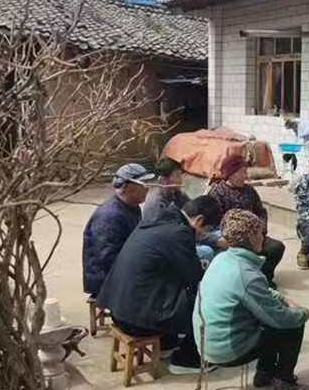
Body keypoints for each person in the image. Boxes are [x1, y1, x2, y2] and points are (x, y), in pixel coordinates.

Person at [195, 209, 309, 390]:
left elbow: (261, 292)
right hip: (226, 351)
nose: (263, 237)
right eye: (260, 232)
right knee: (292, 324)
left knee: (268, 318)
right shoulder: (246, 274)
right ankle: (283, 384)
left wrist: (279, 297)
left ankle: (265, 373)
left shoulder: (221, 259)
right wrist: (302, 313)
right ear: (251, 237)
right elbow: (280, 318)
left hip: (207, 343)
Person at [98, 196, 221, 373]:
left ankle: (166, 344)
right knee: (204, 300)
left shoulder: (156, 219)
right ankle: (186, 360)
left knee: (173, 287)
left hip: (118, 308)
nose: (203, 233)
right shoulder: (179, 233)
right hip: (136, 320)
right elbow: (194, 277)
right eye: (206, 228)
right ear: (199, 219)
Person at [208, 154, 285, 286]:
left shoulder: (249, 190)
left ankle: (264, 279)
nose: (245, 176)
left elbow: (260, 212)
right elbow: (215, 222)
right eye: (241, 172)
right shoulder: (217, 193)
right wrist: (233, 237)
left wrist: (260, 231)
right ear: (231, 174)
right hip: (233, 240)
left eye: (245, 172)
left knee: (276, 247)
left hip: (254, 235)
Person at [82, 163, 154, 297]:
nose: (147, 188)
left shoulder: (133, 207)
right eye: (143, 184)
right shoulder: (109, 216)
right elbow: (107, 258)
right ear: (127, 187)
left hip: (124, 271)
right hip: (106, 281)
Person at [145, 156, 220, 264]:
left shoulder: (175, 193)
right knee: (207, 251)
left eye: (180, 175)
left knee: (219, 232)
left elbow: (194, 208)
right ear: (162, 180)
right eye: (177, 176)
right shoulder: (157, 205)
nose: (181, 180)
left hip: (181, 234)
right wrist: (215, 240)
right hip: (167, 246)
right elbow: (178, 233)